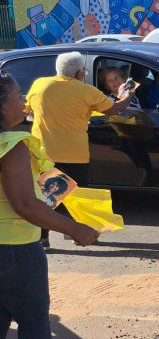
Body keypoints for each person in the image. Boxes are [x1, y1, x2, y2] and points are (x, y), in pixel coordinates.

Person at [0, 70, 99, 339]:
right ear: (1, 105)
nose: (23, 101)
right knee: (33, 323)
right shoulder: (12, 146)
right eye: (17, 95)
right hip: (15, 250)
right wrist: (75, 228)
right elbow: (25, 205)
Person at [25, 52, 135, 249]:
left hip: (44, 154)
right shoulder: (85, 90)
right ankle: (80, 235)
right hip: (75, 154)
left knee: (46, 198)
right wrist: (129, 95)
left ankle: (42, 239)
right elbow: (113, 109)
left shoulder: (40, 85)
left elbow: (27, 110)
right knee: (80, 197)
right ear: (78, 73)